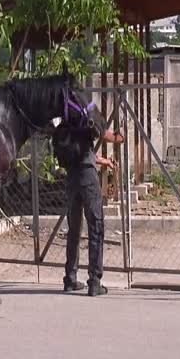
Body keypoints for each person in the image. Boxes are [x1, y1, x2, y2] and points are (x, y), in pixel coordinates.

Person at [52, 115, 125, 296]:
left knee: (74, 230)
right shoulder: (85, 119)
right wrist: (120, 137)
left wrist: (104, 161)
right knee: (96, 227)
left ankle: (70, 279)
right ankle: (94, 281)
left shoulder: (65, 126)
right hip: (87, 179)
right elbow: (107, 135)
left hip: (71, 179)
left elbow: (85, 154)